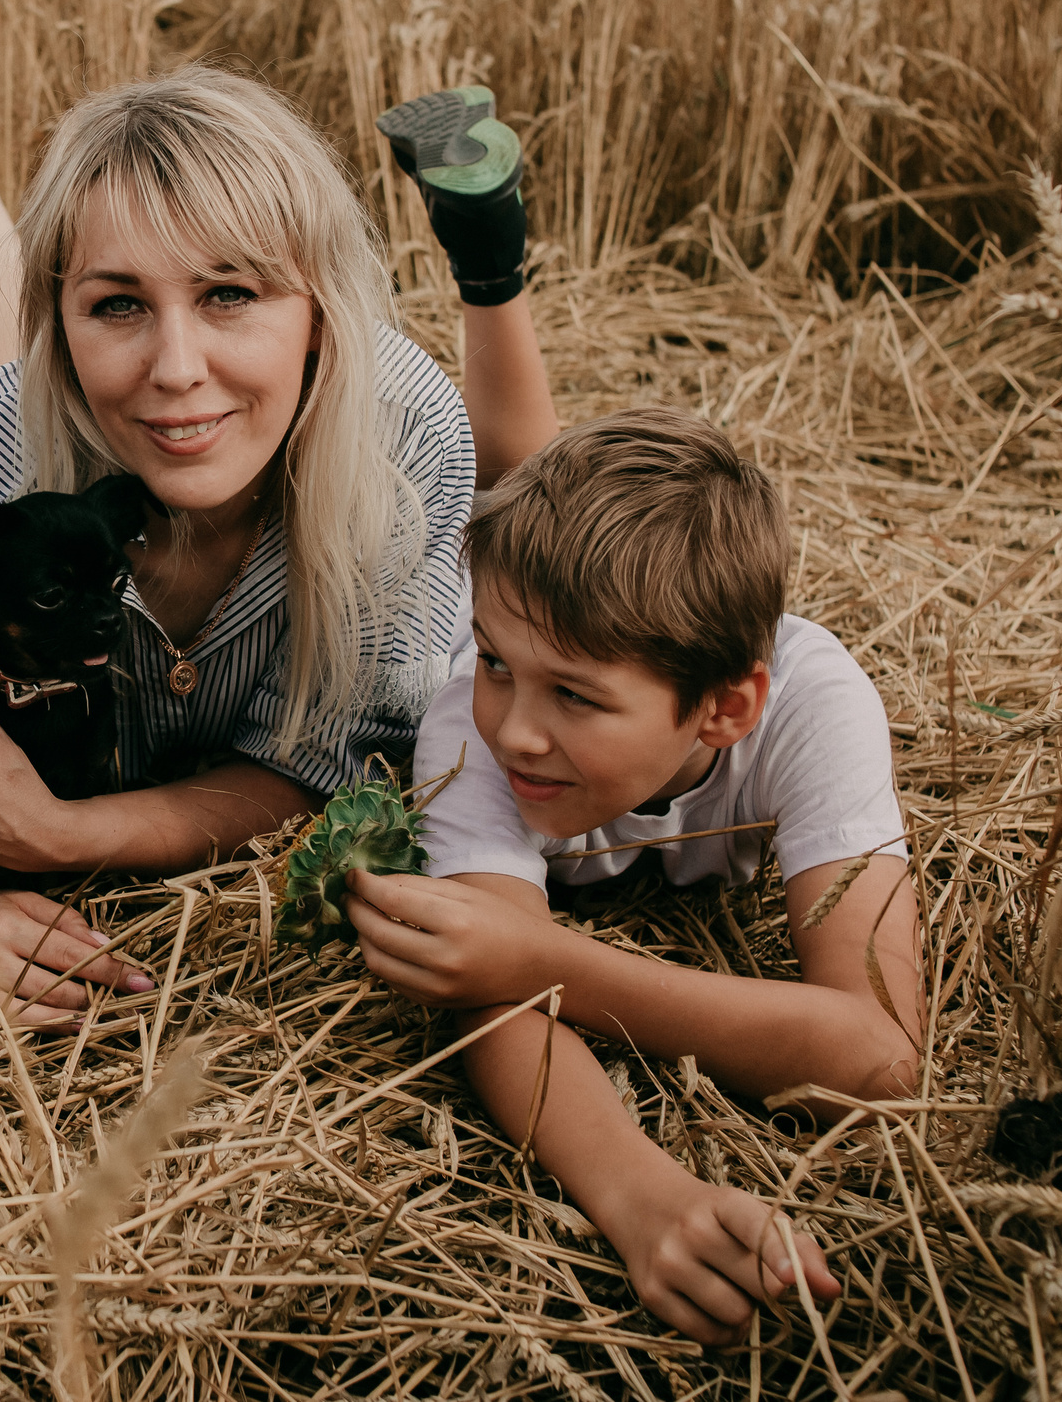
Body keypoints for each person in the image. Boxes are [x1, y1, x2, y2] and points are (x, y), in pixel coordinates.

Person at [0, 38, 556, 1024]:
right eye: (115, 305)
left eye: (229, 294)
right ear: (59, 330)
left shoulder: (397, 442)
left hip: (77, 441)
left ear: (323, 314)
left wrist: (58, 835)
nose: (177, 361)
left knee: (146, 401)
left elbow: (319, 758)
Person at [345, 407, 922, 1347]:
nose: (517, 728)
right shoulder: (467, 725)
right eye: (498, 664)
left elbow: (882, 1055)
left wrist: (543, 957)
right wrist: (639, 1192)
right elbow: (487, 995)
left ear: (725, 708)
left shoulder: (818, 708)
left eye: (575, 694)